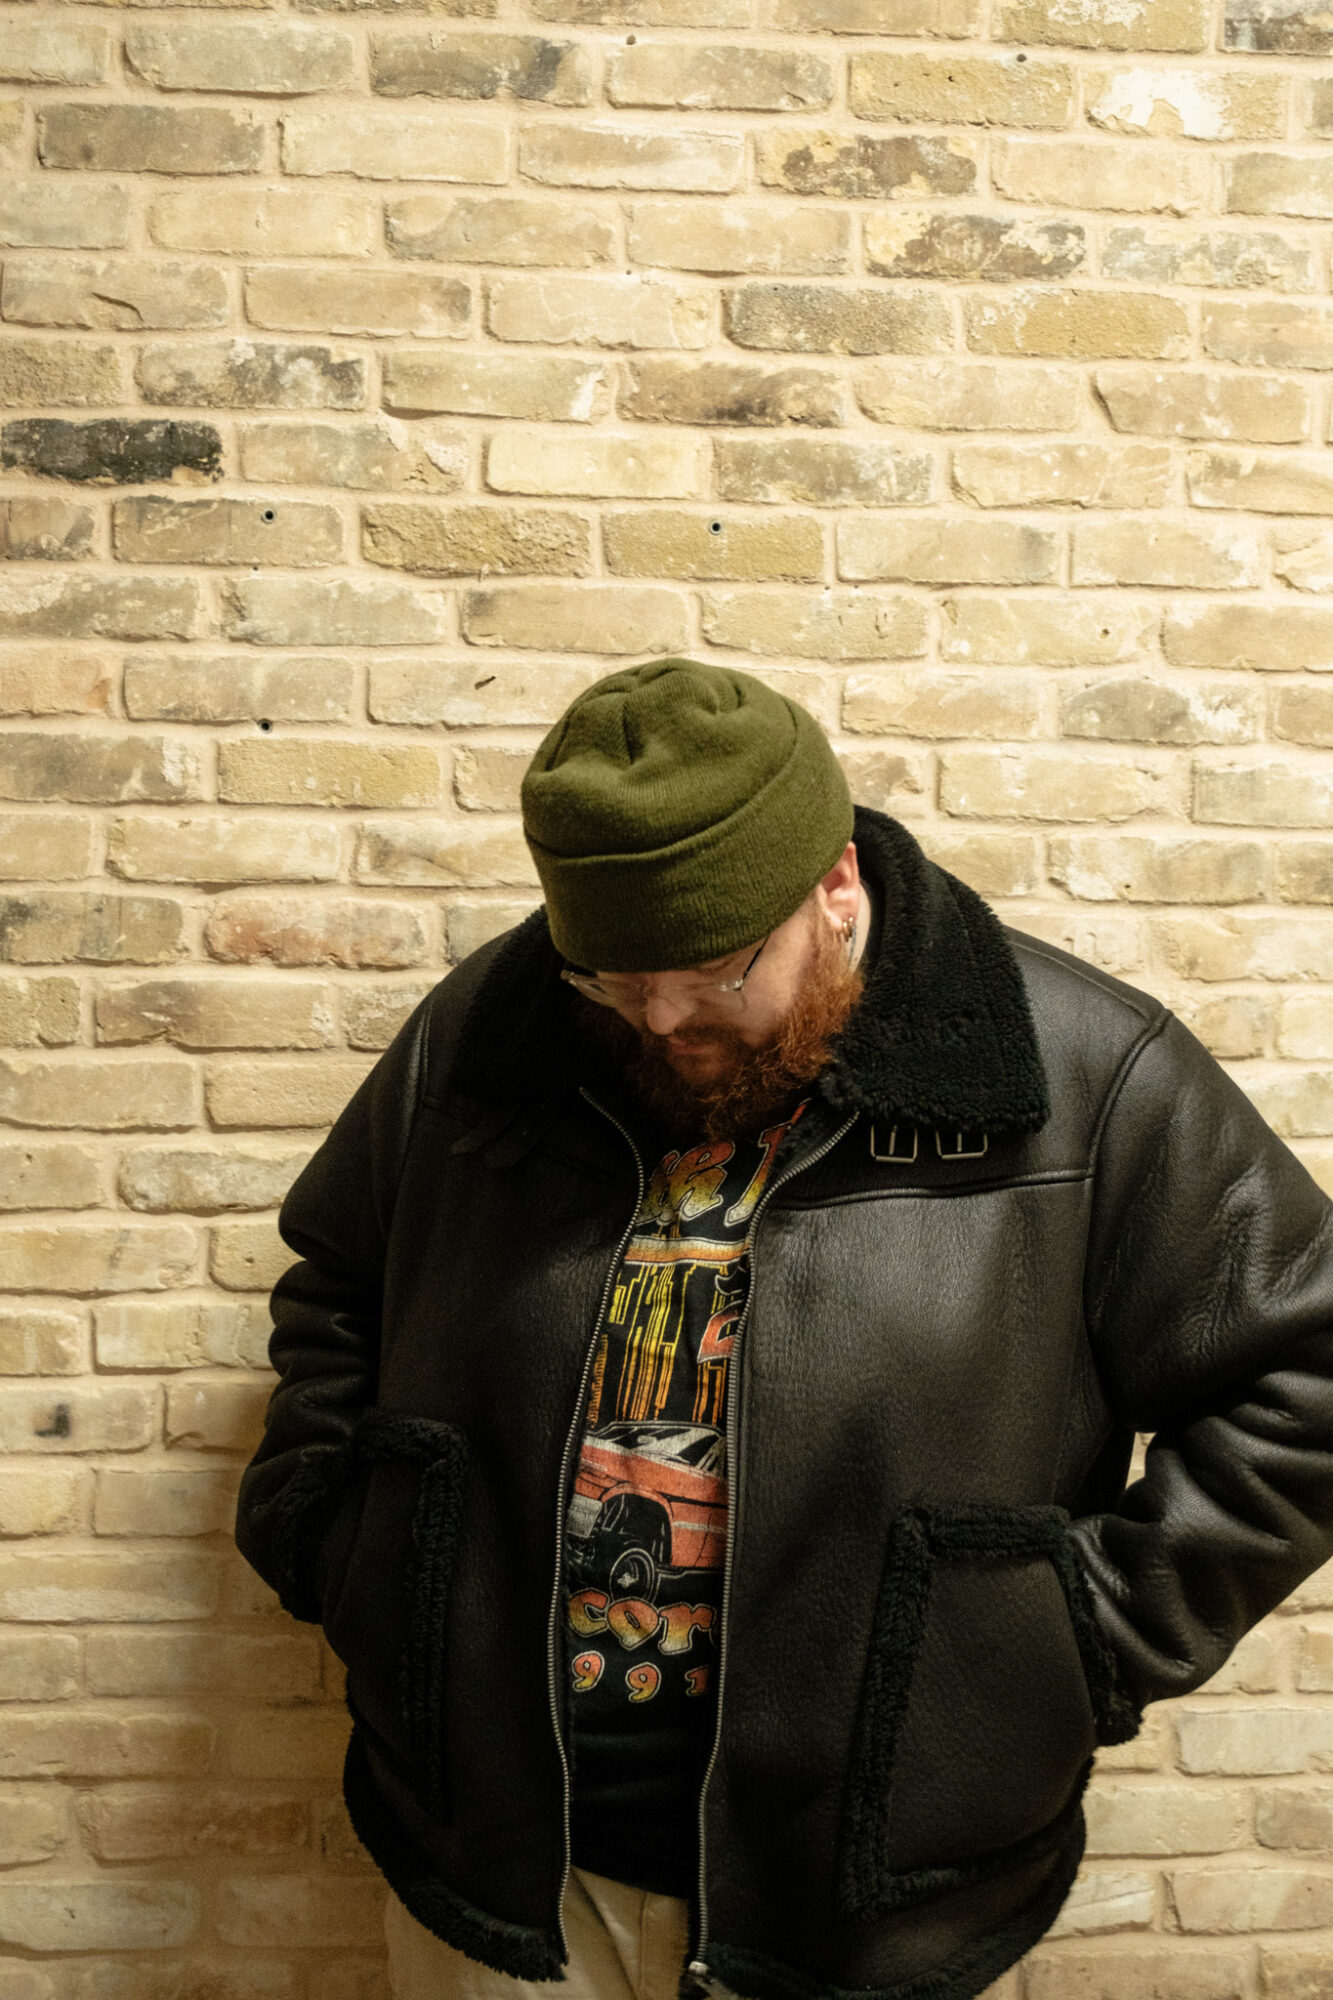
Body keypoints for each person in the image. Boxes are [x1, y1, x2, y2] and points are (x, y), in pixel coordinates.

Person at [234, 656, 1333, 2000]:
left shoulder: (1083, 1079)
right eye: (612, 979)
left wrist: (1068, 1642)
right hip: (503, 1865)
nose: (660, 1018)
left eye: (710, 972)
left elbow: (1309, 1367)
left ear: (833, 888)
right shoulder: (494, 1030)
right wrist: (342, 1535)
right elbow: (338, 1279)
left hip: (865, 1896)